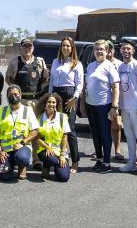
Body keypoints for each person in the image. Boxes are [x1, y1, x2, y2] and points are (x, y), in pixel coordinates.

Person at [47, 37, 83, 173]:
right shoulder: (56, 62)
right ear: (60, 47)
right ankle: (55, 158)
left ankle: (75, 161)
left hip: (69, 96)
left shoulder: (76, 63)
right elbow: (51, 80)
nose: (65, 48)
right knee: (55, 127)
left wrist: (75, 97)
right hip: (56, 95)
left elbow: (79, 83)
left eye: (68, 46)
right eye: (63, 45)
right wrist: (49, 96)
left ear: (72, 48)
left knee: (70, 129)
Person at [84, 40, 120, 172]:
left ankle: (106, 162)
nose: (99, 52)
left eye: (102, 49)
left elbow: (116, 87)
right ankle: (99, 160)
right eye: (97, 49)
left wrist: (114, 106)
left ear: (107, 51)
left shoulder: (110, 66)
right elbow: (87, 86)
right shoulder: (90, 66)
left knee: (105, 133)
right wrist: (83, 104)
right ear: (94, 51)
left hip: (104, 105)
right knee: (95, 133)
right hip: (90, 104)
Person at [0, 85, 39, 181]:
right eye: (10, 95)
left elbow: (35, 131)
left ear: (20, 95)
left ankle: (22, 167)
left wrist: (22, 143)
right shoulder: (2, 111)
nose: (13, 96)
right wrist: (0, 151)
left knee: (21, 158)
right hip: (5, 150)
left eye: (16, 94)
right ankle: (10, 165)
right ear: (7, 96)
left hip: (22, 147)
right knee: (1, 174)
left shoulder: (28, 110)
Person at [117, 40, 137, 176]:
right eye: (123, 49)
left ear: (133, 50)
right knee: (129, 135)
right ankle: (131, 163)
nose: (126, 51)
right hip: (124, 106)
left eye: (128, 49)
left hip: (136, 106)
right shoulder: (119, 67)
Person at [34, 93, 72, 182]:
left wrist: (62, 155)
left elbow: (64, 138)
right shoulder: (39, 118)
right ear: (45, 104)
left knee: (64, 177)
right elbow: (37, 137)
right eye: (49, 102)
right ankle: (47, 166)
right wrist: (47, 147)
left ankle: (57, 169)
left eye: (54, 102)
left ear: (57, 104)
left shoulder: (63, 117)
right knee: (52, 160)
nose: (51, 104)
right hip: (44, 149)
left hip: (59, 151)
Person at [6, 38, 49, 106]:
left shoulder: (40, 61)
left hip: (35, 101)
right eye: (24, 47)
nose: (27, 49)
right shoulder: (14, 62)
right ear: (21, 48)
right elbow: (8, 79)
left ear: (33, 48)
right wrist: (15, 91)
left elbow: (45, 78)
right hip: (20, 101)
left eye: (29, 47)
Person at [106, 41, 126, 162]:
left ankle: (117, 150)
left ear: (113, 51)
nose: (108, 52)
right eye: (106, 49)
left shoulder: (120, 65)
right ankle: (102, 148)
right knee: (103, 125)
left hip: (115, 99)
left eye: (110, 49)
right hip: (102, 99)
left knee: (116, 125)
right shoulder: (99, 63)